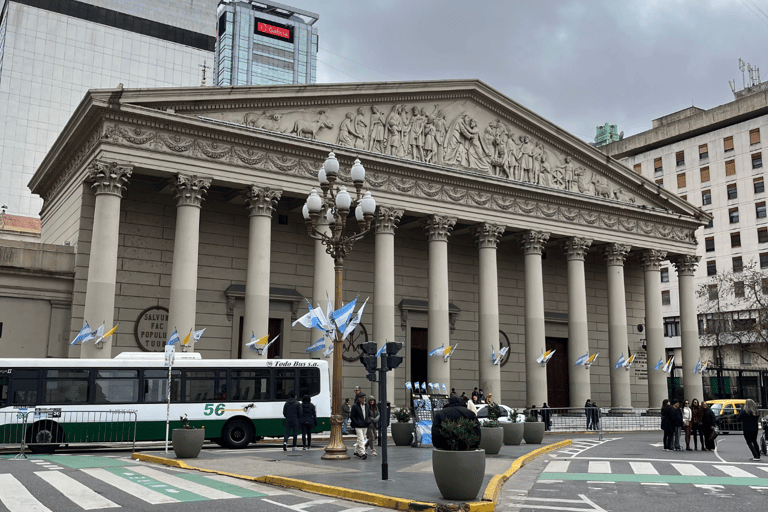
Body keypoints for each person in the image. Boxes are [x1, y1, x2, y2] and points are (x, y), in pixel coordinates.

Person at [350, 392, 371, 459]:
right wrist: (357, 423)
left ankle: (356, 451)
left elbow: (369, 414)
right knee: (361, 439)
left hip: (365, 425)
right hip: (358, 426)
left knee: (361, 438)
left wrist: (368, 421)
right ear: (358, 398)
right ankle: (362, 452)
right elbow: (352, 416)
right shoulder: (355, 406)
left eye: (364, 398)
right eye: (362, 398)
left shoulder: (366, 406)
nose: (363, 399)